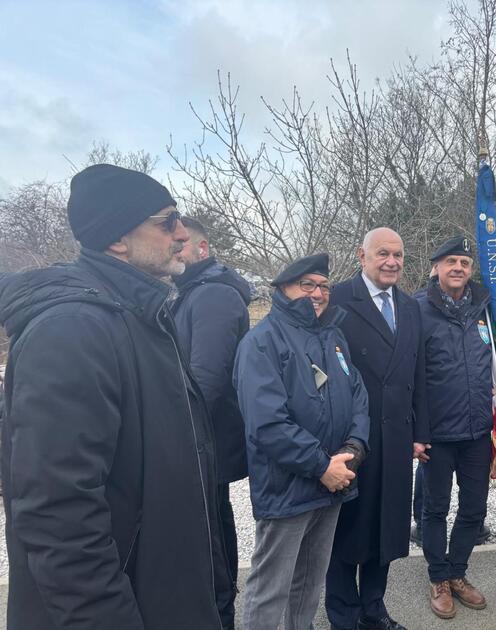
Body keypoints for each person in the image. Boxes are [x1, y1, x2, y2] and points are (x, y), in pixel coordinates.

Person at [0, 164, 226, 629]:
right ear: (117, 239)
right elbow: (59, 518)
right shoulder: (72, 330)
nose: (182, 233)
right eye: (167, 221)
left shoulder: (141, 315)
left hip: (164, 597)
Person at [234, 252, 369, 630]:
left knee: (310, 582)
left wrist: (353, 450)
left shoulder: (334, 337)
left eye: (323, 286)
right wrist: (321, 466)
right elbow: (267, 423)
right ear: (282, 290)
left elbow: (358, 397)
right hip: (289, 485)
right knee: (271, 586)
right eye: (306, 284)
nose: (318, 292)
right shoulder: (261, 342)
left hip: (334, 480)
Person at [325, 227, 430, 630]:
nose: (392, 262)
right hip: (353, 436)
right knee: (347, 529)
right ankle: (343, 614)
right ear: (362, 256)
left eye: (398, 255)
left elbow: (418, 371)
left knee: (386, 527)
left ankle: (374, 608)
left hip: (398, 435)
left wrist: (421, 432)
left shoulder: (410, 306)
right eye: (383, 253)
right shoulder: (337, 299)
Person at [171, 216, 252, 629]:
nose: (174, 248)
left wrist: (174, 438)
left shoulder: (212, 297)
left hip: (203, 440)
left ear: (202, 249)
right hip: (202, 440)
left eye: (181, 244)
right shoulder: (192, 293)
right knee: (211, 530)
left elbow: (206, 379)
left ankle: (221, 616)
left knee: (210, 540)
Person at [417, 236, 493, 620]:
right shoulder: (418, 309)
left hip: (479, 430)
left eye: (464, 261)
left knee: (474, 508)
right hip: (437, 434)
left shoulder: (486, 307)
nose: (458, 268)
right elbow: (408, 375)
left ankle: (458, 571)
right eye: (451, 261)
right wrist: (416, 430)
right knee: (434, 508)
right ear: (436, 268)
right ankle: (438, 577)